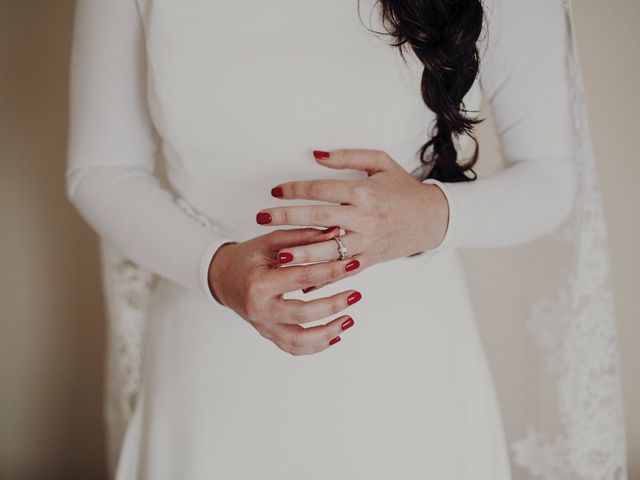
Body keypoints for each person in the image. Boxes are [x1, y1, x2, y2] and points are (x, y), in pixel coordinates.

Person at [66, 0, 582, 478]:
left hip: (404, 362)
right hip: (210, 350)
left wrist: (433, 214)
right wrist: (218, 271)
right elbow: (101, 168)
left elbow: (551, 176)